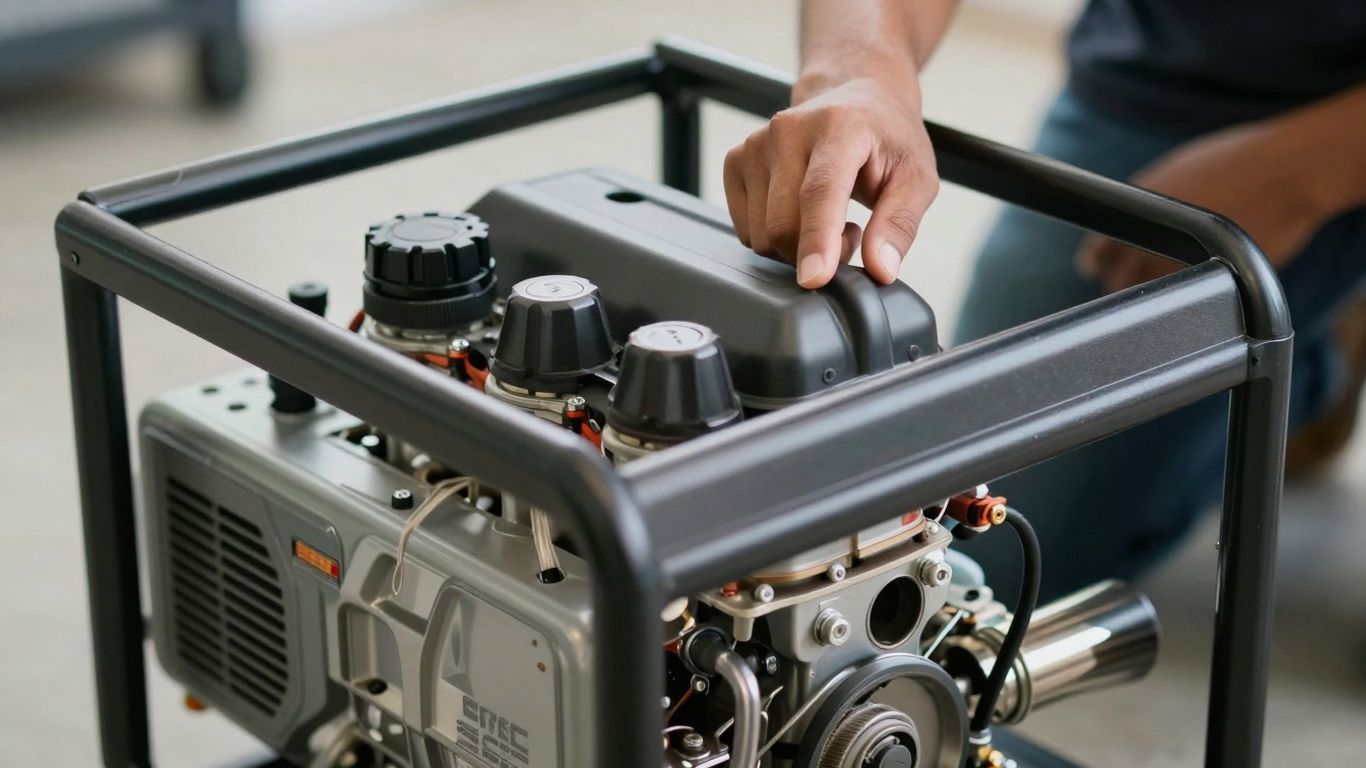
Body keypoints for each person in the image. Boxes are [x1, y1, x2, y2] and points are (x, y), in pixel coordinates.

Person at [723, 0, 1366, 598]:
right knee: (988, 557)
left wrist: (1300, 173)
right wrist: (860, 77)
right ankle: (1321, 356)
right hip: (1196, 62)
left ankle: (1300, 336)